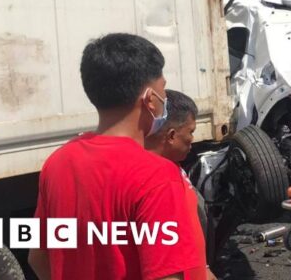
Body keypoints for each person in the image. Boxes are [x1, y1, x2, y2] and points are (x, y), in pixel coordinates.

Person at [28, 33, 207, 280]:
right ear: (150, 99)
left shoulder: (58, 162)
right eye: (163, 89)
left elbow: (38, 258)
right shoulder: (157, 176)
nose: (165, 98)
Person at [145, 89, 217, 278]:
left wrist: (204, 269)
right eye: (191, 132)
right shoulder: (157, 185)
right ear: (171, 136)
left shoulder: (174, 167)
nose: (193, 140)